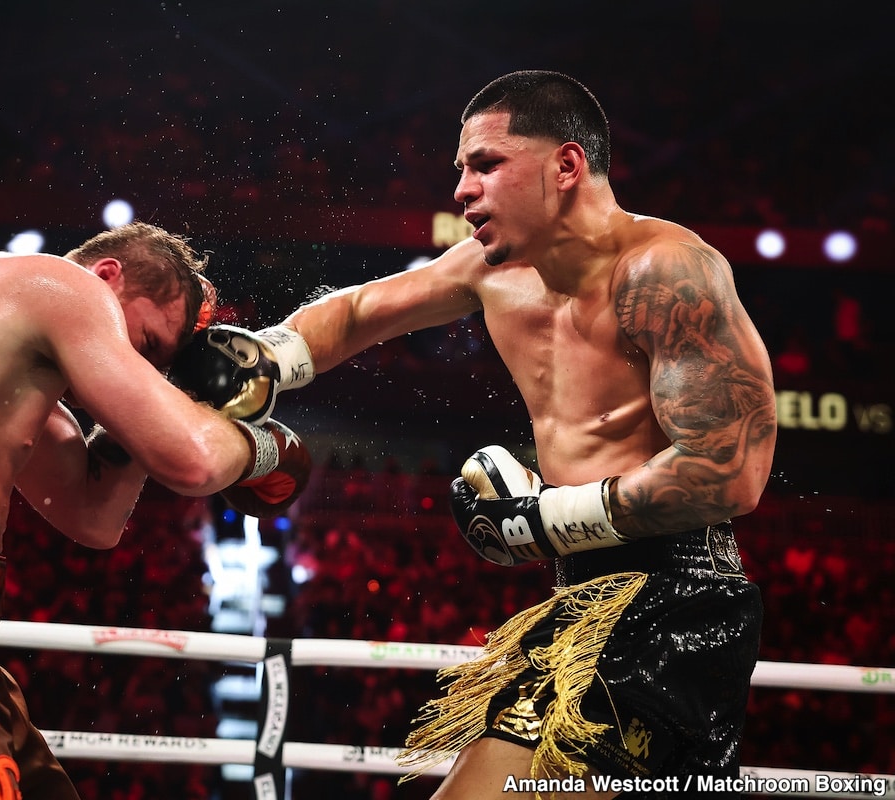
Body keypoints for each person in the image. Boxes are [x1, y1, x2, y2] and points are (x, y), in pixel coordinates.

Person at [176, 70, 777, 797]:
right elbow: (361, 311)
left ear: (566, 166)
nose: (462, 189)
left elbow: (729, 473)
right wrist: (268, 358)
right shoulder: (493, 269)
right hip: (580, 596)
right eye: (461, 168)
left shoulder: (665, 271)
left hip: (674, 598)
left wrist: (542, 520)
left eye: (486, 164)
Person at [0, 221, 311, 799]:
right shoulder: (58, 284)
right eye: (144, 344)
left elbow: (92, 518)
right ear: (107, 274)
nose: (138, 370)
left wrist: (171, 399)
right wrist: (267, 448)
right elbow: (192, 461)